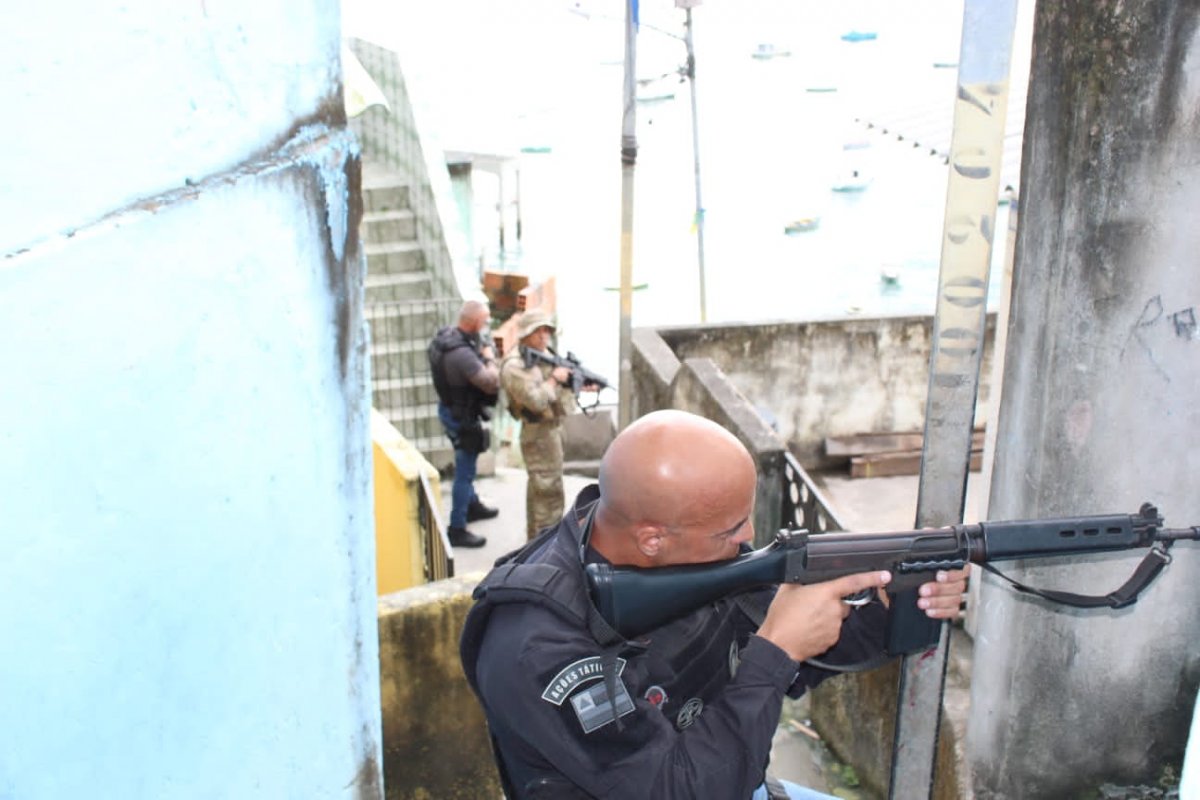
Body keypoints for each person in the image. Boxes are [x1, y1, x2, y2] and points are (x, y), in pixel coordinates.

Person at [461, 409, 969, 799]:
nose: (749, 537)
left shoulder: (687, 555)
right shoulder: (538, 646)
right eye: (732, 529)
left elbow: (798, 656)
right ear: (652, 539)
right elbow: (680, 788)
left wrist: (896, 598)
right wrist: (776, 650)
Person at [428, 300, 501, 549]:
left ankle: (472, 506)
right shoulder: (462, 354)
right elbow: (490, 382)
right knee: (465, 471)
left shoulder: (447, 339)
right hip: (462, 417)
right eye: (484, 320)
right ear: (473, 322)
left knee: (465, 465)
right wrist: (490, 359)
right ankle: (457, 527)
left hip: (450, 409)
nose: (486, 325)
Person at [500, 309, 576, 540]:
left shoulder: (542, 355)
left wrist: (575, 383)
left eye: (547, 330)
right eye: (538, 331)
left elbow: (556, 390)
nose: (544, 336)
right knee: (548, 496)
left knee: (540, 493)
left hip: (551, 431)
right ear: (525, 334)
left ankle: (536, 546)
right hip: (538, 435)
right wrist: (556, 379)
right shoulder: (515, 365)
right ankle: (546, 549)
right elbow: (535, 400)